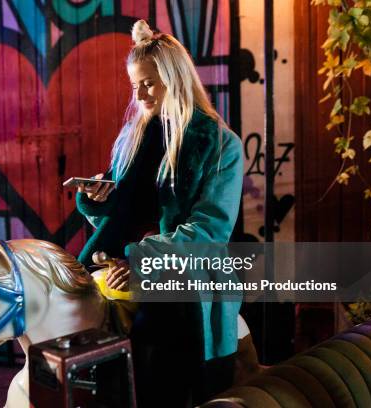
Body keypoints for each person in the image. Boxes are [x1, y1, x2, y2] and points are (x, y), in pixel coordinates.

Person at [75, 20, 244, 407]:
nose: (140, 94)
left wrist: (143, 258)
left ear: (176, 78)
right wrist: (98, 201)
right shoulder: (130, 138)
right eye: (134, 84)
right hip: (119, 261)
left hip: (185, 272)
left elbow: (210, 229)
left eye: (149, 82)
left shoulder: (219, 144)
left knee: (158, 347)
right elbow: (114, 221)